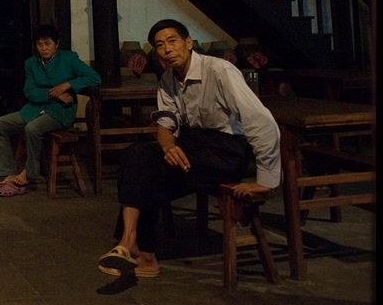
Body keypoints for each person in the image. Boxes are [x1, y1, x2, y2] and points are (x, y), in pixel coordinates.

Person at [98, 19, 280, 278]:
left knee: (146, 172)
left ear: (188, 43)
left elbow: (260, 121)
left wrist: (267, 181)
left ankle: (136, 248)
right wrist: (168, 145)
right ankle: (133, 246)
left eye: (172, 41)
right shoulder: (168, 80)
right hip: (193, 146)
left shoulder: (219, 70)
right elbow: (164, 122)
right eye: (159, 45)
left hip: (226, 151)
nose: (167, 49)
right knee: (136, 155)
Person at [0, 24, 101, 196]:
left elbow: (94, 77)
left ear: (57, 44)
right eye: (40, 44)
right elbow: (30, 92)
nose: (44, 48)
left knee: (32, 129)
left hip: (60, 112)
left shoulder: (69, 59)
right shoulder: (31, 64)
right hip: (34, 109)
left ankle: (28, 175)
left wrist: (67, 85)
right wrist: (53, 93)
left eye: (48, 44)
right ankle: (6, 175)